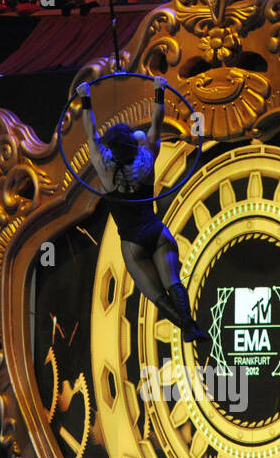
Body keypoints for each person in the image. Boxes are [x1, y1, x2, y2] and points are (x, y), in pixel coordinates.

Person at [76, 76, 207, 343]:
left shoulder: (105, 169)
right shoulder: (146, 157)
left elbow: (91, 133)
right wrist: (159, 90)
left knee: (157, 295)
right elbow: (157, 123)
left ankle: (188, 328)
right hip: (157, 233)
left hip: (133, 243)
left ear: (112, 148)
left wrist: (85, 96)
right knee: (172, 282)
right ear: (132, 144)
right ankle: (190, 325)